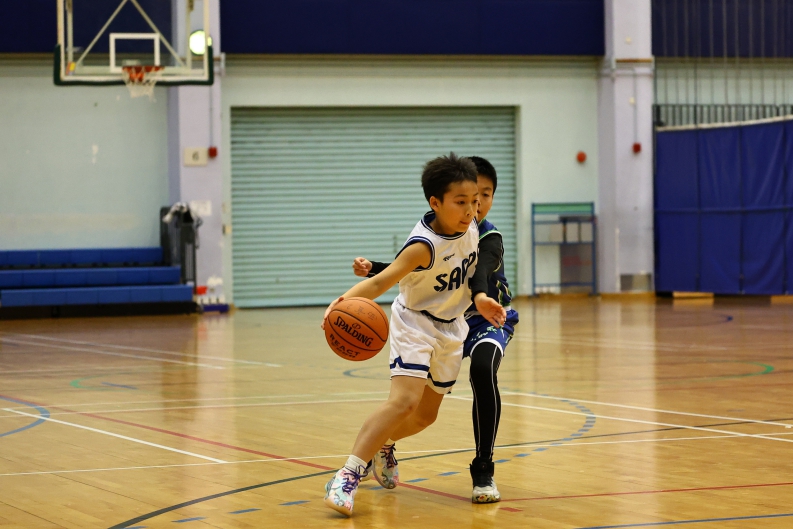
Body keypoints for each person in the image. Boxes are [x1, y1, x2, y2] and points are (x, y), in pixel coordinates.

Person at [322, 153, 507, 516]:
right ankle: (347, 475)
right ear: (435, 202)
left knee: (425, 416)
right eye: (461, 202)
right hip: (415, 323)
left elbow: (477, 273)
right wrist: (338, 304)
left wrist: (481, 299)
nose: (471, 210)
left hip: (452, 327)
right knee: (404, 402)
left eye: (475, 201)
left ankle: (384, 443)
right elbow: (381, 282)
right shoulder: (423, 245)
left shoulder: (472, 228)